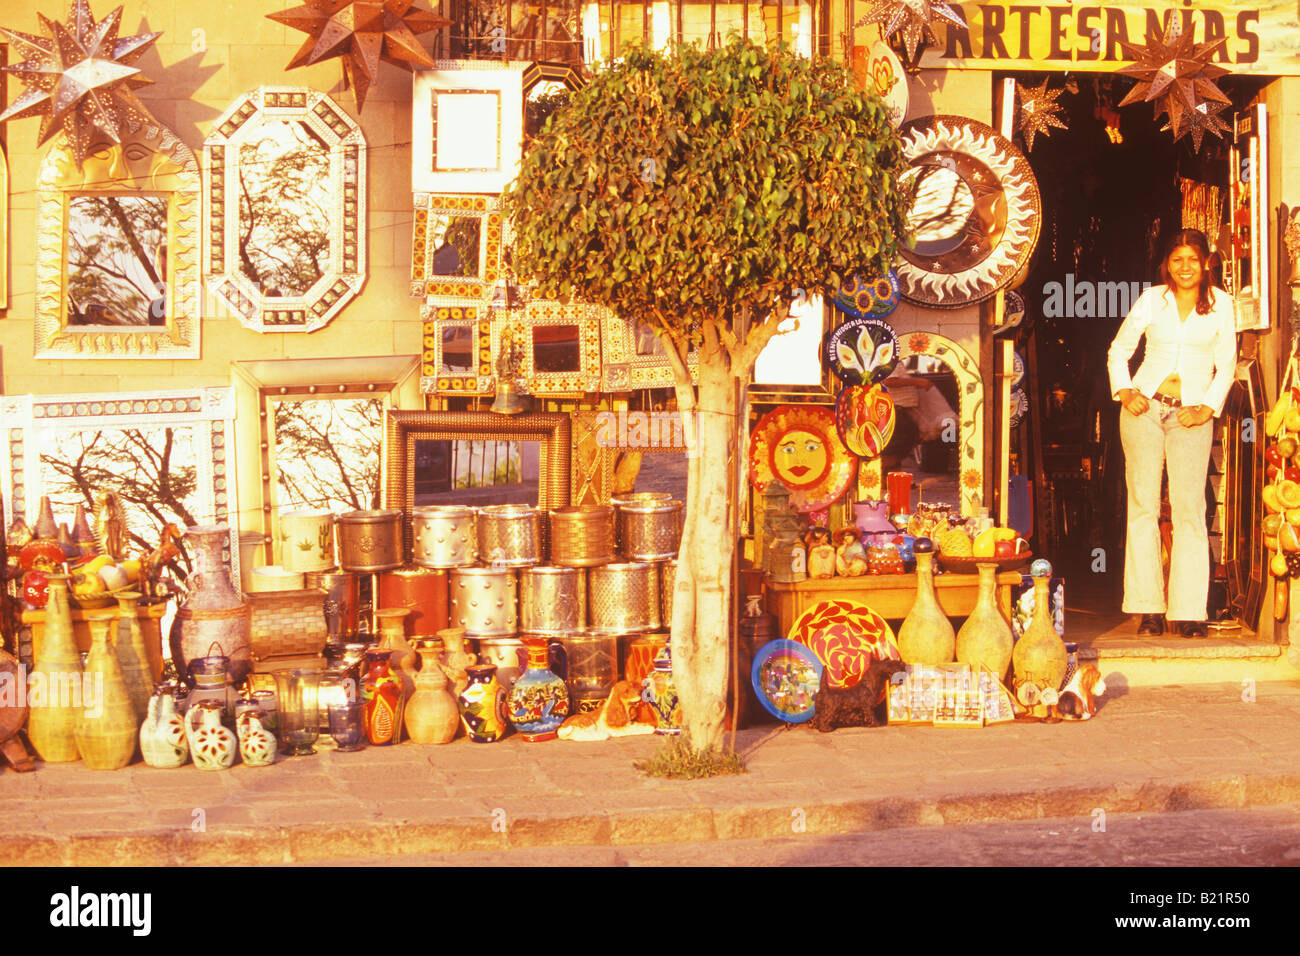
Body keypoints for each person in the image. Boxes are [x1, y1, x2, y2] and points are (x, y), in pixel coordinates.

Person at [1107, 229, 1237, 638]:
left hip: (1191, 416)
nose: (1185, 268)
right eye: (1177, 259)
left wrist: (1208, 408)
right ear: (1168, 263)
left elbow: (1227, 364)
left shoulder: (1222, 306)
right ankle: (1148, 609)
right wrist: (1126, 391)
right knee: (1143, 507)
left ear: (1206, 264)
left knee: (1189, 511)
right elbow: (1118, 350)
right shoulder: (1152, 301)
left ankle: (1189, 612)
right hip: (1145, 408)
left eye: (1193, 260)